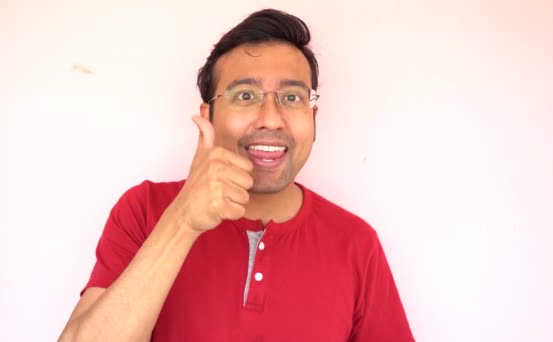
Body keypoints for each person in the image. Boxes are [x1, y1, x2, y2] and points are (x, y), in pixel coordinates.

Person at [59, 8, 415, 342]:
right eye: (246, 95)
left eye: (292, 98)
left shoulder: (357, 243)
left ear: (314, 119)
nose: (272, 119)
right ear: (208, 115)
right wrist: (183, 221)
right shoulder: (144, 208)